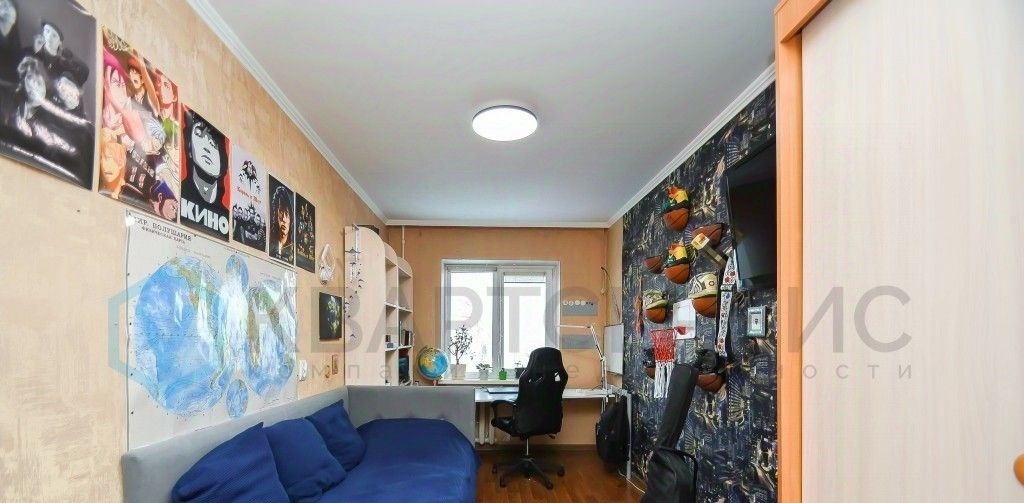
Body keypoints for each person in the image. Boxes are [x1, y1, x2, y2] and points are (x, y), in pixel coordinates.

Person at [270, 185, 294, 262]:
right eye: (281, 212)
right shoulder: (270, 243)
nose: (283, 219)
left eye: (286, 213)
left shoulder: (292, 251)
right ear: (276, 214)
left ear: (291, 218)